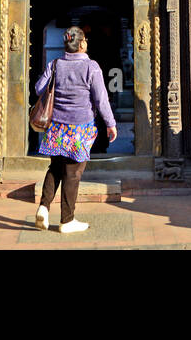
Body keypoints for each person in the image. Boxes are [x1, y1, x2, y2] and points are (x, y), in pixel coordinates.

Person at [32, 26, 117, 234]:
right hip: (79, 128)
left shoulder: (55, 64)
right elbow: (101, 99)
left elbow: (38, 88)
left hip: (56, 127)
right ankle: (67, 220)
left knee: (55, 168)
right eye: (85, 39)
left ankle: (43, 207)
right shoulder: (91, 67)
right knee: (73, 174)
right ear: (81, 44)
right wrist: (110, 123)